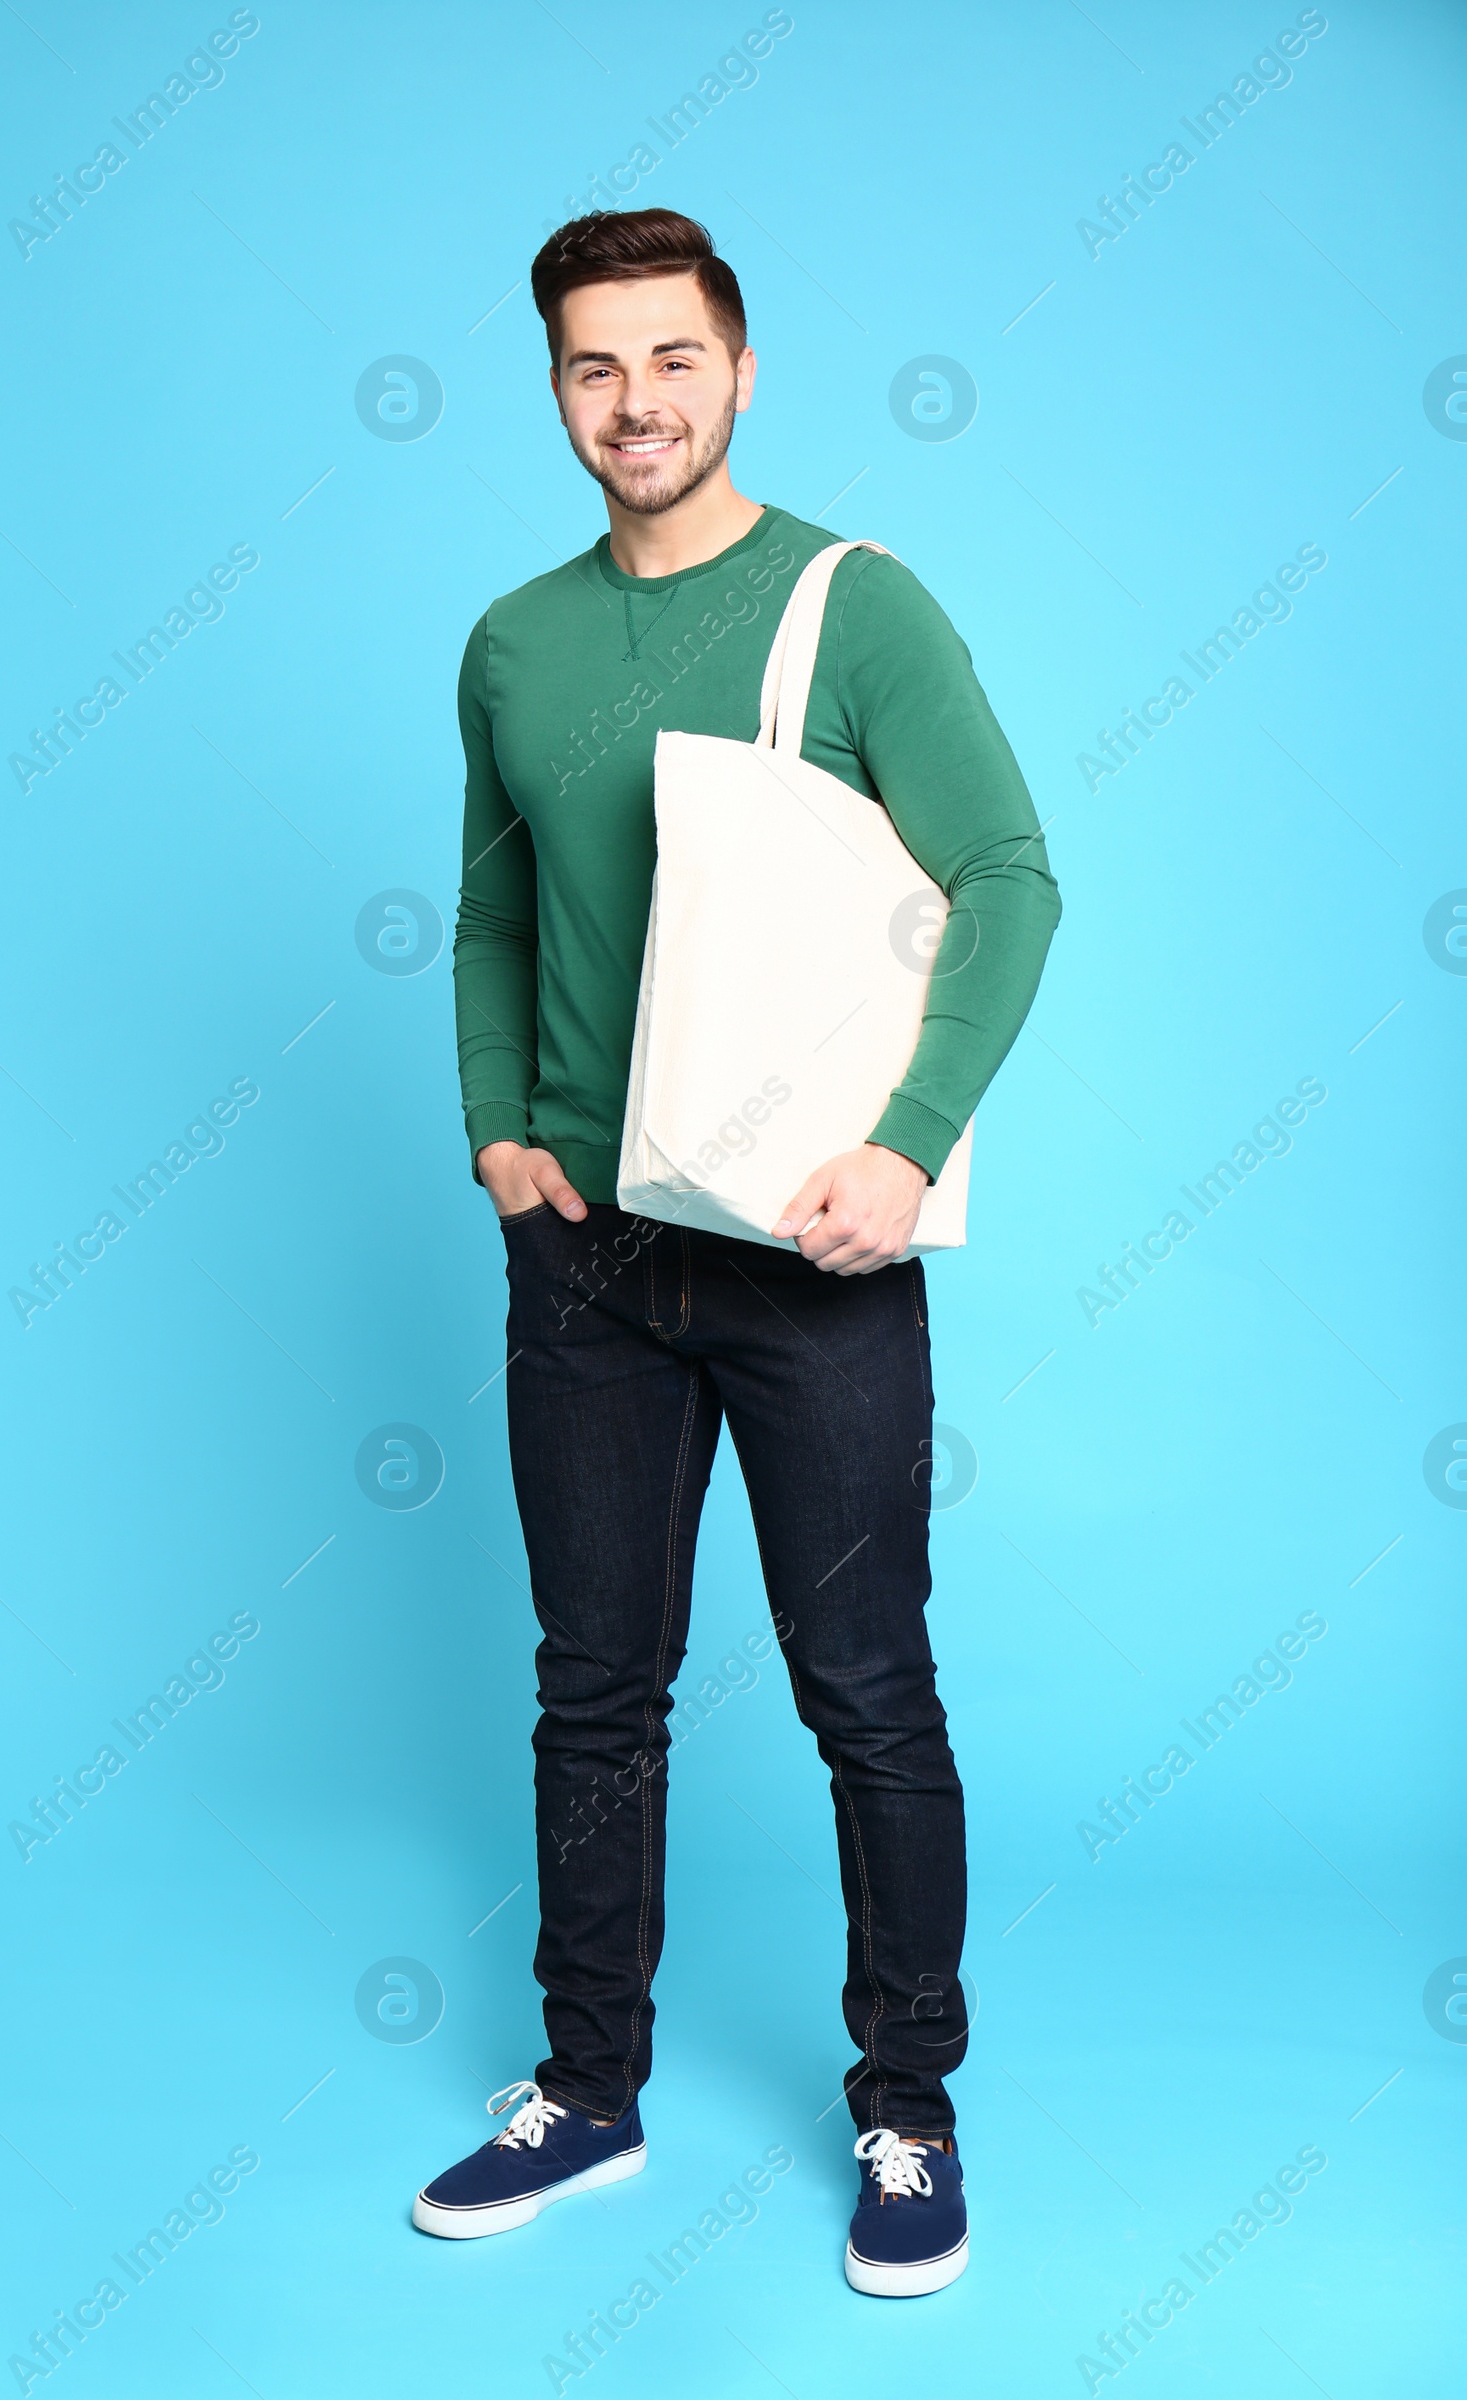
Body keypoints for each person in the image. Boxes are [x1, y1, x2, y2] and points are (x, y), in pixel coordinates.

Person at [412, 208, 1060, 2296]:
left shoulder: (852, 609)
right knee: (592, 1689)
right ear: (551, 389)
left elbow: (1007, 878)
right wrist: (496, 1129)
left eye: (671, 360)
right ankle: (585, 2086)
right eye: (594, 368)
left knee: (863, 1689)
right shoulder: (512, 641)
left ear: (741, 367)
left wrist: (905, 1146)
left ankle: (905, 2109)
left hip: (809, 1254)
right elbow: (498, 909)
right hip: (584, 1262)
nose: (637, 403)